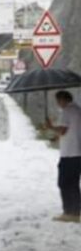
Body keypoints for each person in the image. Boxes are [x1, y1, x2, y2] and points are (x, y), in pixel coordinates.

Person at [45, 90, 81, 223]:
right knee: (74, 183)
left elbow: (63, 129)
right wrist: (56, 137)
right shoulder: (77, 110)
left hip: (69, 153)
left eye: (58, 101)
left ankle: (69, 212)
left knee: (64, 183)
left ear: (63, 99)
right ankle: (76, 212)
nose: (58, 104)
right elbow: (71, 130)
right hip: (78, 152)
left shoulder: (67, 111)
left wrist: (51, 127)